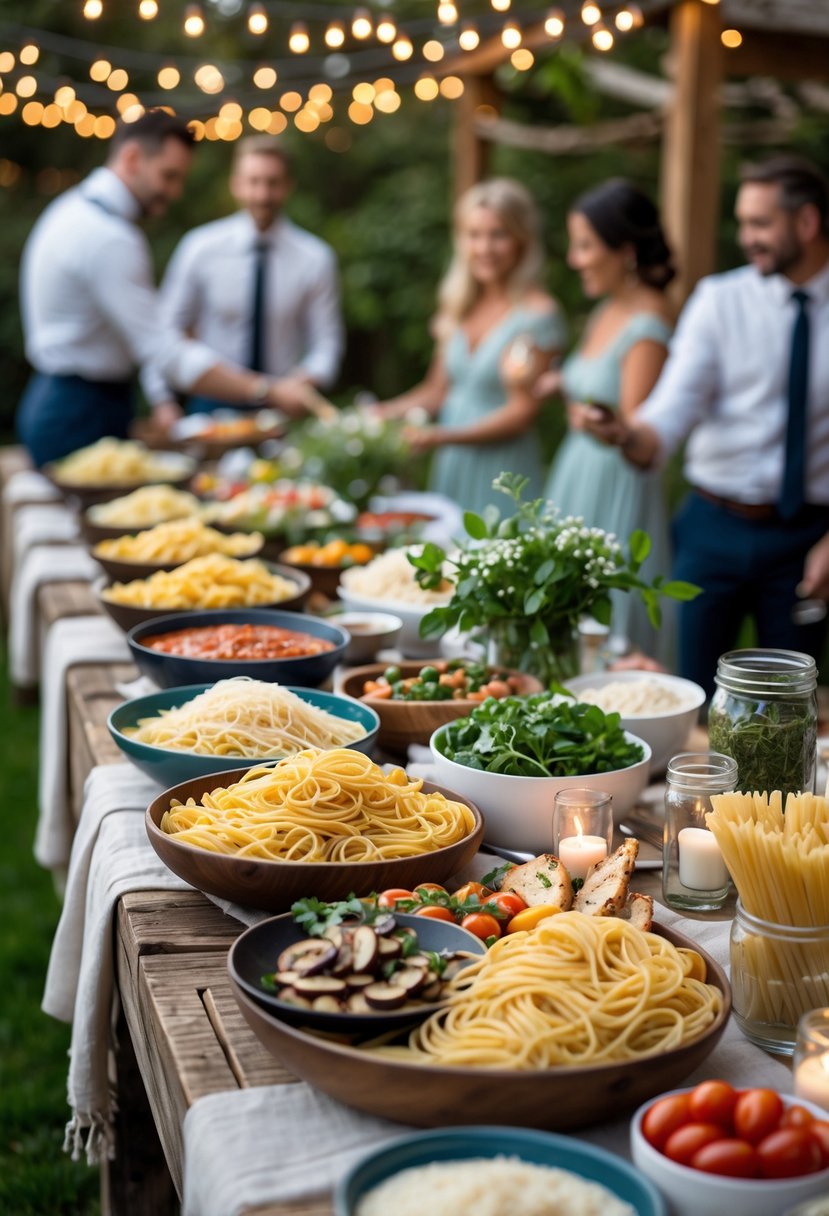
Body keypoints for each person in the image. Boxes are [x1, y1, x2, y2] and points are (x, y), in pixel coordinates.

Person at [581, 155, 829, 697]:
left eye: (761, 224)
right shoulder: (719, 300)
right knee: (690, 695)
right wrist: (628, 434)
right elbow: (672, 408)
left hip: (809, 538)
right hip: (710, 528)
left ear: (806, 224)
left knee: (788, 709)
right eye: (743, 223)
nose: (747, 238)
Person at [17, 111, 308, 468]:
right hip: (80, 412)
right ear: (132, 158)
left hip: (65, 400)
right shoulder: (109, 238)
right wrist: (266, 390)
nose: (174, 192)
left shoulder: (72, 210)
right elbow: (164, 350)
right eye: (168, 176)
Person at [375, 178, 566, 516]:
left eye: (498, 235)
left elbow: (522, 413)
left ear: (521, 240)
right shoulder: (459, 306)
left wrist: (442, 437)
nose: (485, 248)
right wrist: (383, 414)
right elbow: (437, 391)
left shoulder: (536, 315)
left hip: (504, 472)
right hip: (452, 464)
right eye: (474, 235)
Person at [543, 179, 675, 660]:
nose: (575, 259)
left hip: (616, 484)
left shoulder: (648, 324)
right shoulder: (604, 311)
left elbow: (633, 423)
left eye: (584, 246)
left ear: (623, 249)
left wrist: (591, 415)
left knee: (604, 620)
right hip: (577, 471)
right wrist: (561, 387)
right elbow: (591, 398)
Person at [142, 135, 343, 417]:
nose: (262, 195)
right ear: (235, 184)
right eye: (253, 181)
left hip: (283, 407)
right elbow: (164, 330)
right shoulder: (200, 248)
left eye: (272, 183)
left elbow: (327, 343)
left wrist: (303, 381)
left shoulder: (315, 258)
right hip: (212, 406)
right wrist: (162, 400)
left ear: (288, 186)